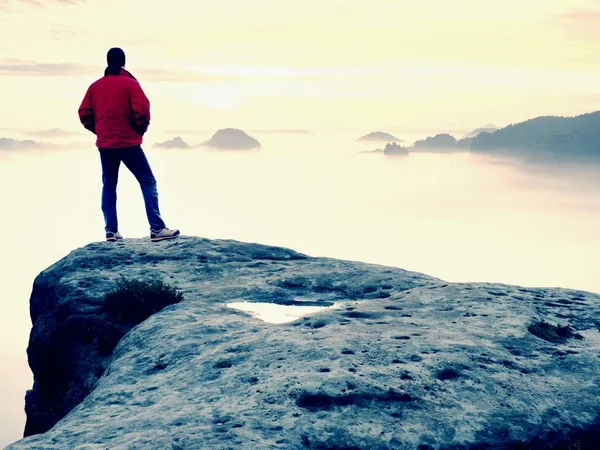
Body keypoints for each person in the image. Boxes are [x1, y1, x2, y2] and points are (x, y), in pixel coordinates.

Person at [78, 47, 179, 242]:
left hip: (106, 144)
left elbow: (84, 113)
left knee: (109, 185)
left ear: (108, 62)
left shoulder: (95, 87)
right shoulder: (131, 84)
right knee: (148, 181)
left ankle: (111, 231)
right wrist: (138, 131)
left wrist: (100, 130)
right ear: (124, 62)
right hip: (128, 143)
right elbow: (142, 111)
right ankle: (157, 228)